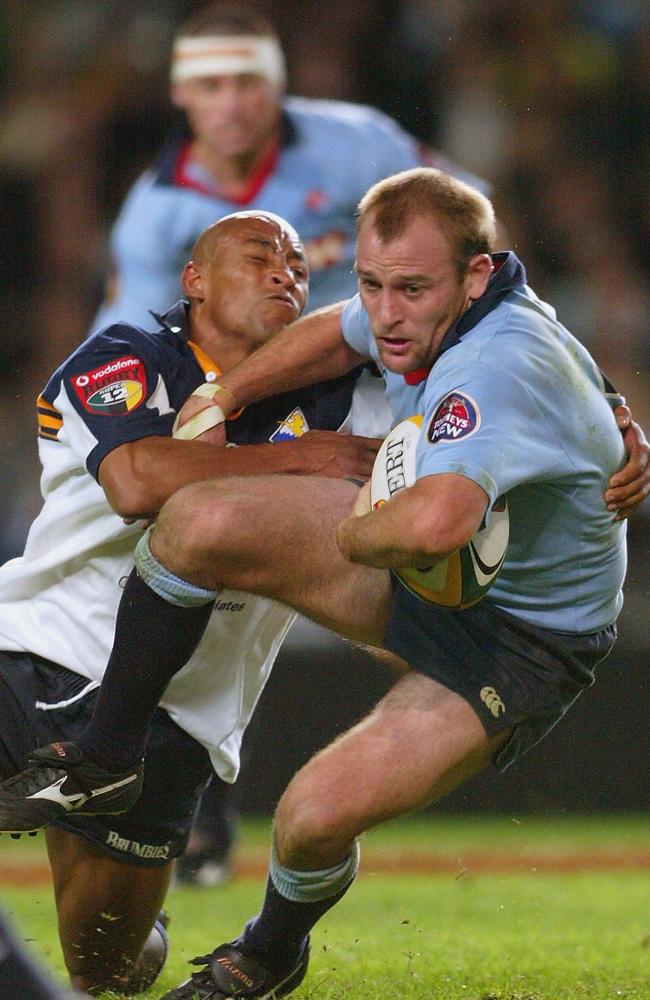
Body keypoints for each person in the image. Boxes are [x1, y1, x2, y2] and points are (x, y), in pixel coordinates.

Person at [2, 168, 648, 1000]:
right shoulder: (397, 313)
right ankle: (106, 756)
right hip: (65, 645)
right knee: (197, 521)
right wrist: (230, 393)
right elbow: (332, 337)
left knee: (307, 821)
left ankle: (269, 952)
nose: (384, 312)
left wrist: (347, 527)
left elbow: (431, 527)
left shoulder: (491, 368)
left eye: (407, 289)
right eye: (372, 285)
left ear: (476, 276)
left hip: (517, 634)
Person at [90, 0, 494, 887]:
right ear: (181, 96)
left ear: (275, 88)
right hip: (285, 410)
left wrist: (509, 348)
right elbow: (128, 353)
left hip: (408, 391)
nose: (231, 103)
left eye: (246, 82)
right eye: (210, 85)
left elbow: (479, 227)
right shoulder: (159, 214)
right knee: (218, 571)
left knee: (424, 587)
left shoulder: (357, 140)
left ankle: (496, 677)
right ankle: (185, 780)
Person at [0, 211, 382, 994]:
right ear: (195, 281)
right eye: (259, 256)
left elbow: (472, 357)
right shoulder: (125, 356)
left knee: (108, 970)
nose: (286, 273)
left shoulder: (350, 391)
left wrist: (607, 404)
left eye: (299, 266)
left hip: (175, 719)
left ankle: (149, 929)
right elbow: (136, 482)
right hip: (35, 655)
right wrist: (307, 460)